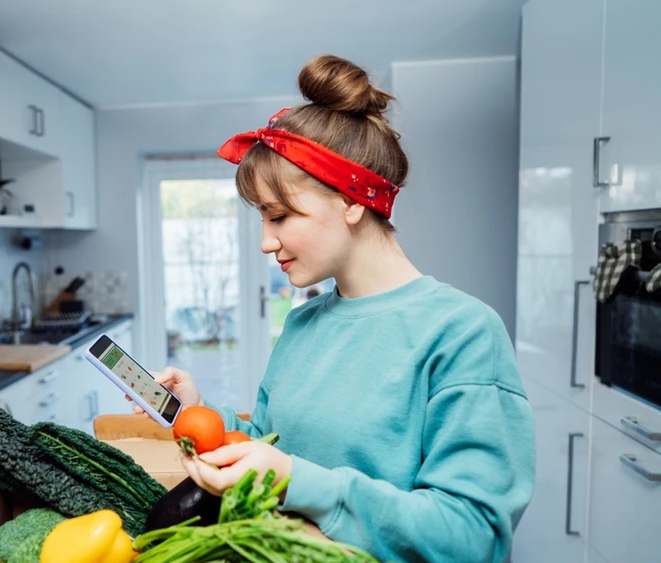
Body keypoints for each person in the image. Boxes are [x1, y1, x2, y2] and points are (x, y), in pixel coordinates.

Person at [134, 54, 535, 563]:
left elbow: (473, 535)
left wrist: (303, 483)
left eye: (279, 216)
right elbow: (268, 445)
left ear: (352, 200)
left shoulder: (462, 333)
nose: (265, 242)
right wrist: (200, 412)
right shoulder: (304, 322)